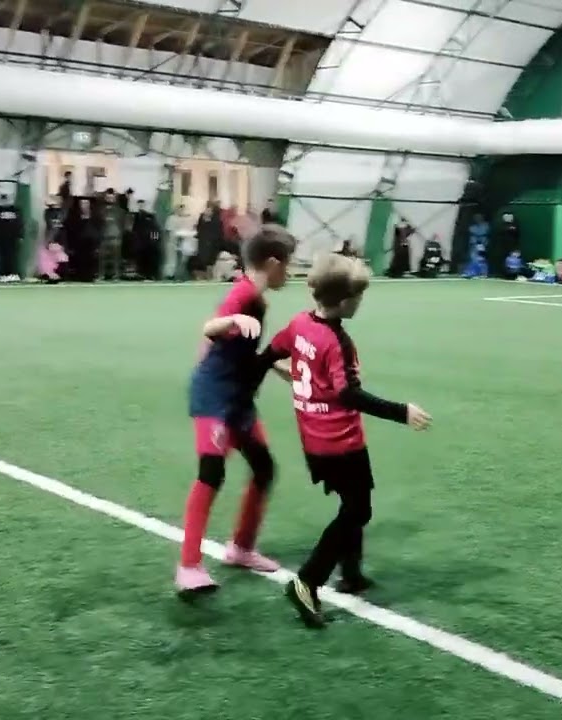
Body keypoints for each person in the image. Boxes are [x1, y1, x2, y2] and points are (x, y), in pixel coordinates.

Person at [254, 254, 431, 628]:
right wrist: (403, 411)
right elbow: (348, 394)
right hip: (341, 440)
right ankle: (307, 580)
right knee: (358, 510)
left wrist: (262, 374)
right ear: (346, 300)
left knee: (355, 501)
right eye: (359, 297)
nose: (360, 303)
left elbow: (272, 352)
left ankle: (351, 574)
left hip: (313, 441)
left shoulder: (301, 323)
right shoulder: (338, 341)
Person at [175, 225, 296, 598]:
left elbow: (237, 350)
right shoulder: (243, 293)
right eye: (288, 266)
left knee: (264, 467)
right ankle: (189, 565)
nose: (289, 274)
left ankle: (241, 548)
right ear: (273, 263)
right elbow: (211, 328)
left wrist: (274, 367)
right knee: (211, 473)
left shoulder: (258, 300)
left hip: (238, 397)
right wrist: (229, 322)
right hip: (215, 397)